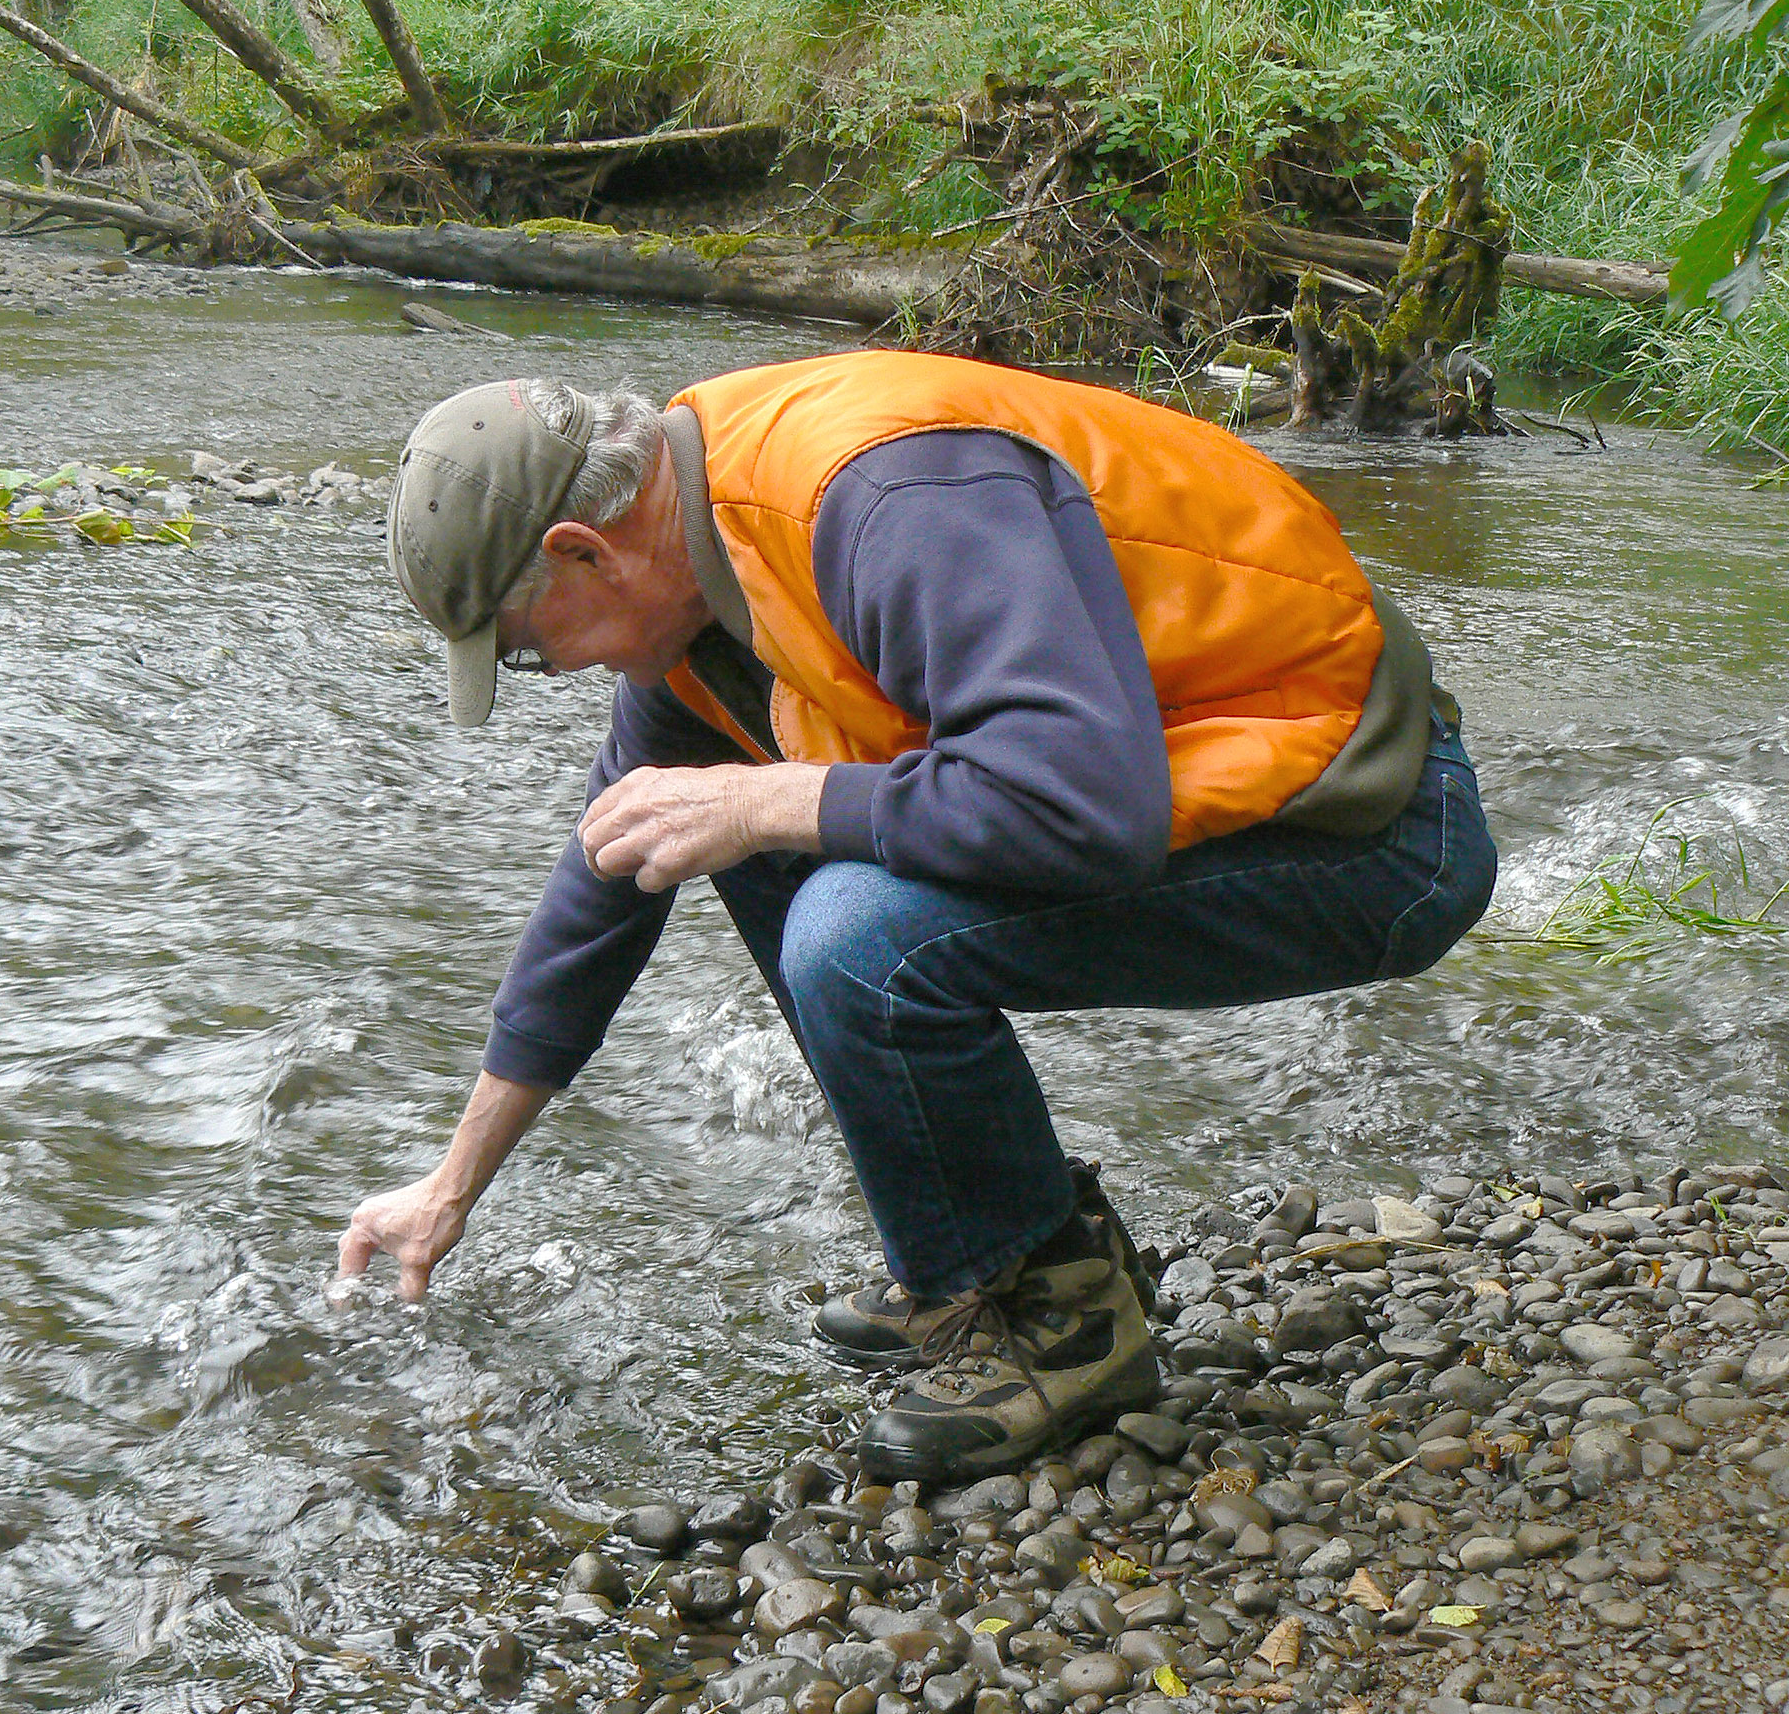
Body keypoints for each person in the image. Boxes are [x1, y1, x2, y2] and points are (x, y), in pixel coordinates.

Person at [334, 350, 1497, 1482]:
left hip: (1372, 818)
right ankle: (995, 1258)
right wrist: (449, 1187)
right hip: (1206, 788)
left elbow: (1081, 809)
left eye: (533, 650)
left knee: (843, 922)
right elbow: (599, 899)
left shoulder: (884, 500)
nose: (558, 672)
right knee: (717, 823)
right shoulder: (699, 576)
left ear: (581, 549)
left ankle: (1066, 1328)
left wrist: (775, 797)